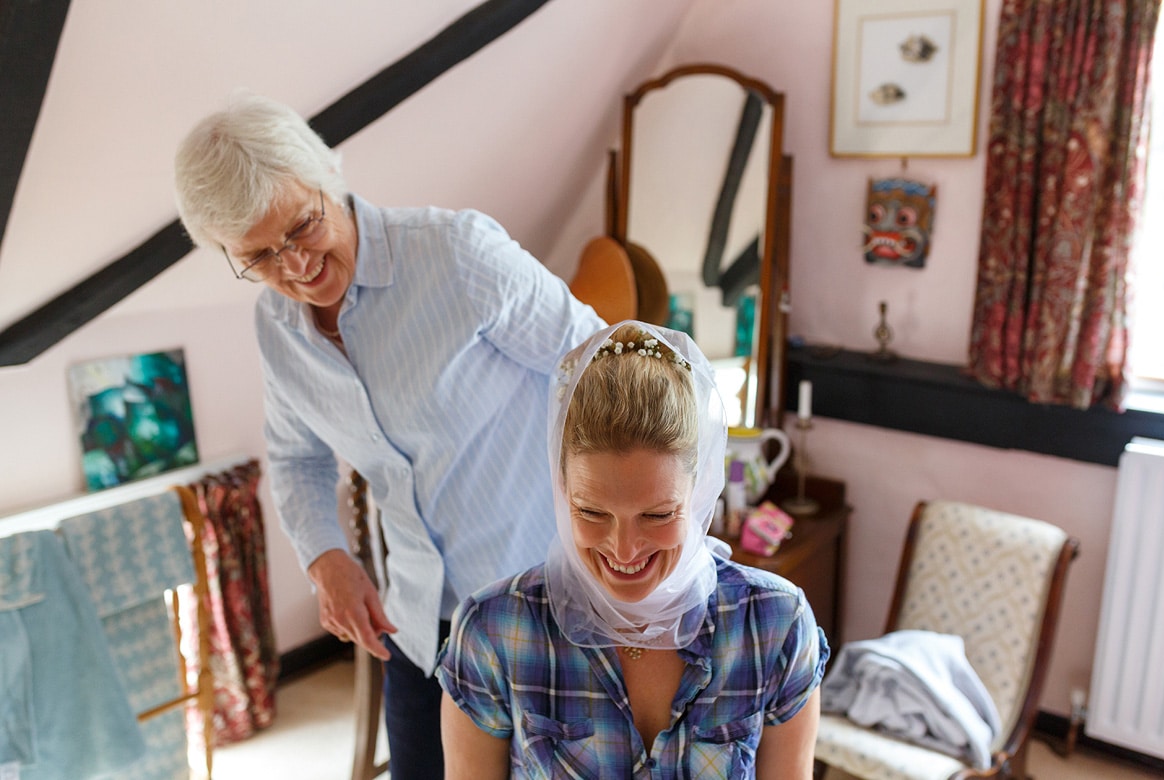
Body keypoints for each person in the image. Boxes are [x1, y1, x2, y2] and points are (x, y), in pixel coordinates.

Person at [172, 93, 605, 780]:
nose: (294, 268)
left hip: (548, 611)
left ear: (328, 177)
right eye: (258, 256)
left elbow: (605, 367)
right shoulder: (276, 328)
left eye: (302, 227)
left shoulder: (457, 255)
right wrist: (326, 558)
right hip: (420, 628)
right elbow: (296, 457)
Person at [436, 321, 828, 778]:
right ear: (562, 490)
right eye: (592, 512)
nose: (624, 549)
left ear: (699, 490)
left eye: (657, 515)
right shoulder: (493, 632)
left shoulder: (775, 625)